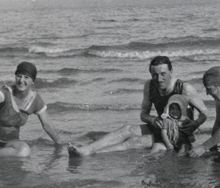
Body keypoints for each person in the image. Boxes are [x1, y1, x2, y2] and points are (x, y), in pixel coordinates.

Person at [70, 56, 207, 155]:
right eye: (155, 75)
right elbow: (143, 114)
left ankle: (96, 153)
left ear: (171, 71)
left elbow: (204, 112)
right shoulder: (149, 86)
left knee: (134, 141)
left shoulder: (184, 88)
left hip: (178, 133)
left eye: (163, 74)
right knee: (127, 129)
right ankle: (89, 149)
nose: (159, 79)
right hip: (161, 125)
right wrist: (153, 120)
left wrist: (195, 124)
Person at [0, 61, 65, 159]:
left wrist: (60, 144)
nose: (21, 80)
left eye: (26, 77)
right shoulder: (5, 93)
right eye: (19, 76)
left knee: (24, 151)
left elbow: (47, 124)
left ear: (32, 81)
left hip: (12, 142)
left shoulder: (35, 100)